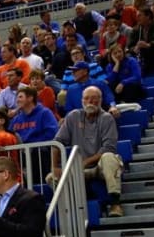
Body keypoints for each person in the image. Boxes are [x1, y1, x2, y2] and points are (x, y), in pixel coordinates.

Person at [51, 86, 124, 217]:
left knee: (109, 157)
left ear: (100, 100)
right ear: (82, 100)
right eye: (86, 98)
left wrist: (84, 162)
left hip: (100, 166)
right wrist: (55, 166)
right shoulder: (73, 116)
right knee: (51, 177)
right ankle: (75, 208)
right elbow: (57, 143)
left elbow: (109, 148)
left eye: (94, 98)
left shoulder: (107, 118)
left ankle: (115, 203)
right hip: (79, 168)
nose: (90, 101)